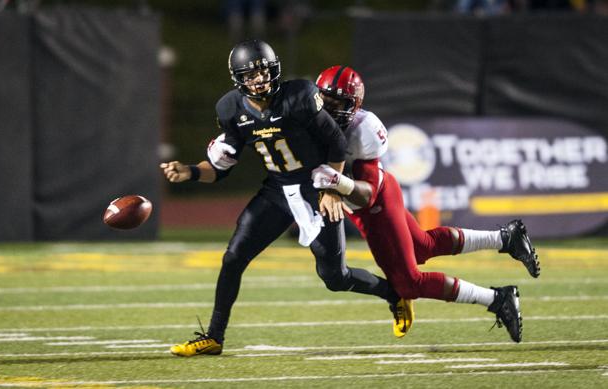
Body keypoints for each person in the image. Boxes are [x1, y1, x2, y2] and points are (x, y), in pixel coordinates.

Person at [160, 40, 403, 357]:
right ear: (239, 80)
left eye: (263, 71)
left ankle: (393, 293)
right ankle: (213, 336)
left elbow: (336, 145)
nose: (259, 80)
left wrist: (332, 189)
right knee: (234, 257)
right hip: (277, 190)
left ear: (274, 70)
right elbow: (221, 168)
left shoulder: (300, 96)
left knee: (334, 277)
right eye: (250, 75)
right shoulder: (231, 109)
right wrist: (191, 171)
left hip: (315, 185)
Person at [311, 65, 541, 343]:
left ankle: (496, 298)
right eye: (327, 101)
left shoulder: (363, 129)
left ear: (354, 104)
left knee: (409, 283)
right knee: (423, 246)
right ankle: (506, 238)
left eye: (339, 104)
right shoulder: (306, 119)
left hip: (376, 203)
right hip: (369, 202)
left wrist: (336, 182)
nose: (331, 110)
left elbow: (368, 194)